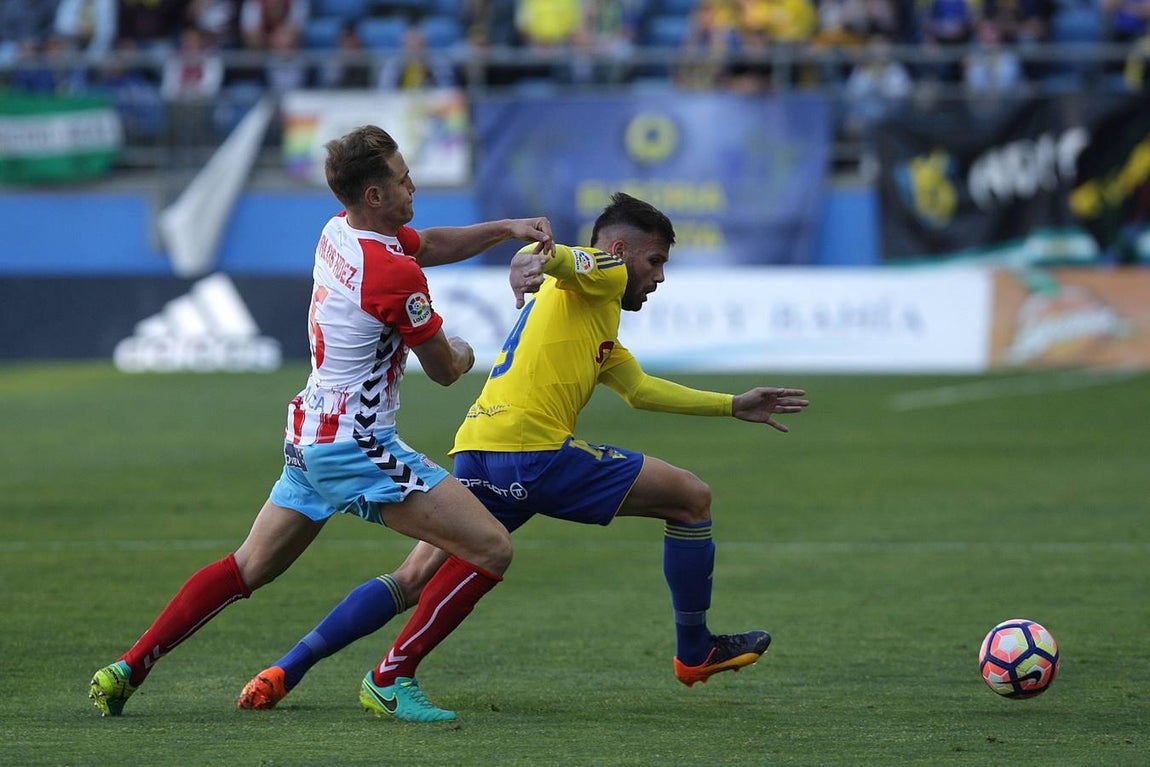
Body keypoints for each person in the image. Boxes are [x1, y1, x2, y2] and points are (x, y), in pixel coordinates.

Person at [237, 192, 810, 720]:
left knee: (412, 576)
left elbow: (637, 389)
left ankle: (286, 669)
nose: (658, 277)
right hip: (532, 455)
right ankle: (694, 650)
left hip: (479, 449)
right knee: (691, 499)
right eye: (654, 261)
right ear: (620, 252)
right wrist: (542, 257)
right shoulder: (604, 273)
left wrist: (732, 404)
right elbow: (575, 262)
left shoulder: (586, 313)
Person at [87, 125, 555, 722]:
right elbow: (444, 369)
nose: (413, 183)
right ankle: (392, 679)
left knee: (246, 568)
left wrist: (504, 229)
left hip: (310, 435)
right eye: (402, 176)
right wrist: (466, 346)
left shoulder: (338, 229)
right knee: (491, 547)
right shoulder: (392, 275)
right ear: (376, 196)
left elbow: (429, 243)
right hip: (357, 444)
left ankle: (128, 667)